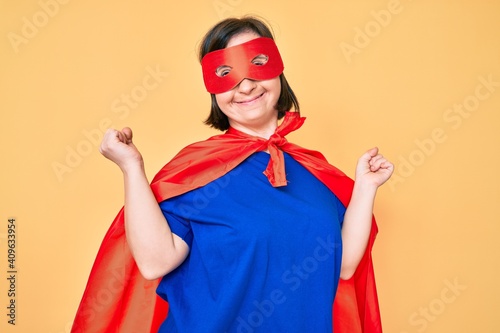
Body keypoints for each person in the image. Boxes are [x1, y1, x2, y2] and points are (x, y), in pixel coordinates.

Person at [71, 16, 393, 333]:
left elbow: (344, 265)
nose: (246, 85)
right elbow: (156, 261)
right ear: (214, 91)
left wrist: (365, 187)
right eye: (226, 73)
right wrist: (131, 167)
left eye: (257, 64)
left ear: (278, 71)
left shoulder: (314, 173)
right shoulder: (197, 172)